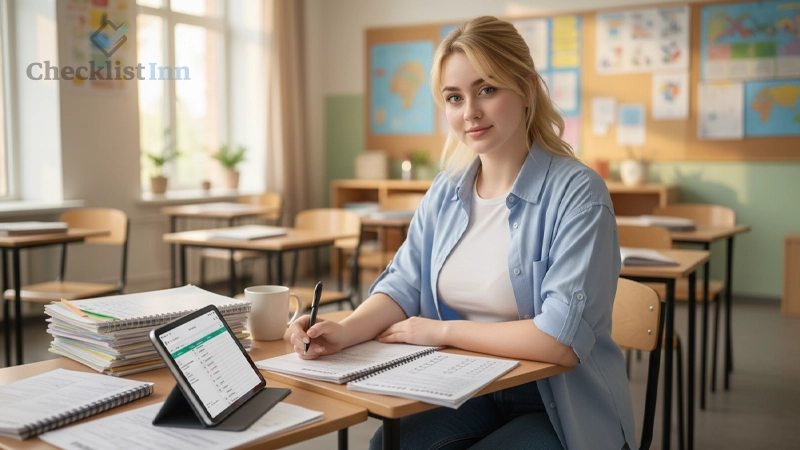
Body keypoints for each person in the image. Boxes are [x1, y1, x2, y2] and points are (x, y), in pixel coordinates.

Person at [289, 16, 635, 450]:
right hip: (470, 383)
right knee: (387, 445)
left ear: (527, 89)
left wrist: (442, 332)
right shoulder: (447, 190)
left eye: (486, 89)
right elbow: (403, 285)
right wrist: (344, 330)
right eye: (454, 97)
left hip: (558, 400)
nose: (469, 111)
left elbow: (558, 342)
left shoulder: (578, 193)